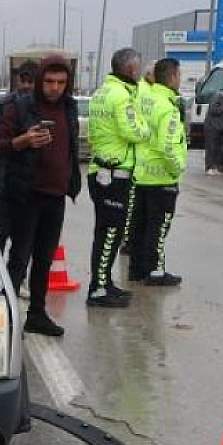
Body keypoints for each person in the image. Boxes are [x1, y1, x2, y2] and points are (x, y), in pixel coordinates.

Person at [0, 54, 82, 337]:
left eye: (61, 82)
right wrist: (24, 140)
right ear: (41, 81)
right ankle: (8, 317)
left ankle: (37, 314)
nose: (55, 87)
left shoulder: (69, 108)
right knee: (19, 257)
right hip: (26, 193)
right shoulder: (18, 107)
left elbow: (71, 147)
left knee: (44, 259)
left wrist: (71, 180)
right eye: (50, 81)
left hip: (56, 195)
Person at [85, 48, 150, 308]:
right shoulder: (121, 96)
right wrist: (145, 127)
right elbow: (134, 131)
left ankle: (104, 282)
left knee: (109, 232)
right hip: (114, 174)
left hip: (104, 171)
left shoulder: (101, 92)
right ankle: (99, 288)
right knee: (110, 232)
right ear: (132, 70)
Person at [129, 59, 188, 286]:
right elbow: (168, 146)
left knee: (140, 226)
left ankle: (137, 269)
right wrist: (178, 168)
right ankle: (155, 271)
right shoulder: (168, 107)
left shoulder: (146, 99)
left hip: (143, 173)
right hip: (162, 177)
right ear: (172, 78)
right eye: (179, 75)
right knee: (158, 228)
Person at [0, 63, 38, 253]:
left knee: (25, 238)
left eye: (30, 82)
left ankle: (18, 278)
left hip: (32, 183)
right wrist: (20, 139)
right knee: (0, 232)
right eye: (22, 81)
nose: (26, 86)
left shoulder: (42, 108)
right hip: (6, 178)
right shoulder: (3, 105)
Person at [203, 85, 223, 175]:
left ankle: (215, 167)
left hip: (218, 127)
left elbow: (222, 115)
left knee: (217, 149)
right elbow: (213, 110)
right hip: (211, 127)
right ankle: (208, 168)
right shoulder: (217, 97)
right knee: (211, 148)